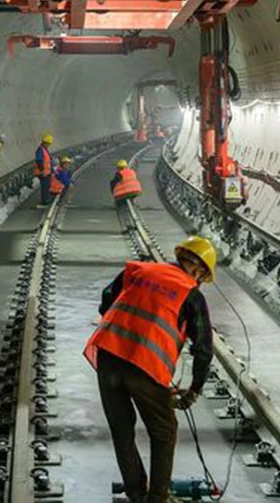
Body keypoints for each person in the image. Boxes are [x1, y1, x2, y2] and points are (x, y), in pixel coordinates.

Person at [84, 236, 217, 503]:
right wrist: (193, 391)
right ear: (199, 271)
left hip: (108, 357)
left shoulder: (140, 270)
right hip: (144, 366)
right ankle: (158, 498)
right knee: (164, 430)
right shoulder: (191, 295)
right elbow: (203, 350)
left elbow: (106, 300)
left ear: (180, 257)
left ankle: (135, 493)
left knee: (122, 431)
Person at [34, 132, 54, 205]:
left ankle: (46, 199)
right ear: (45, 142)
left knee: (47, 185)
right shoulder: (40, 150)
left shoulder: (44, 149)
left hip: (46, 172)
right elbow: (39, 160)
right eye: (48, 144)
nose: (48, 145)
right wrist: (42, 170)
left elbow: (48, 161)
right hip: (43, 172)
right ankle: (45, 201)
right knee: (45, 186)